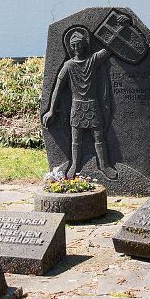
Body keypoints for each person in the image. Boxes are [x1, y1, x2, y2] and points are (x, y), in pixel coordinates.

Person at [43, 18, 129, 179]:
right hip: (77, 106)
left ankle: (104, 165)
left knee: (99, 136)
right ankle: (75, 164)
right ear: (70, 47)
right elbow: (57, 89)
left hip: (92, 104)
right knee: (76, 139)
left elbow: (109, 48)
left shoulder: (93, 60)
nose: (77, 47)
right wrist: (51, 110)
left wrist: (122, 25)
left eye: (79, 44)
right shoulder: (68, 65)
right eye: (73, 45)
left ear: (85, 44)